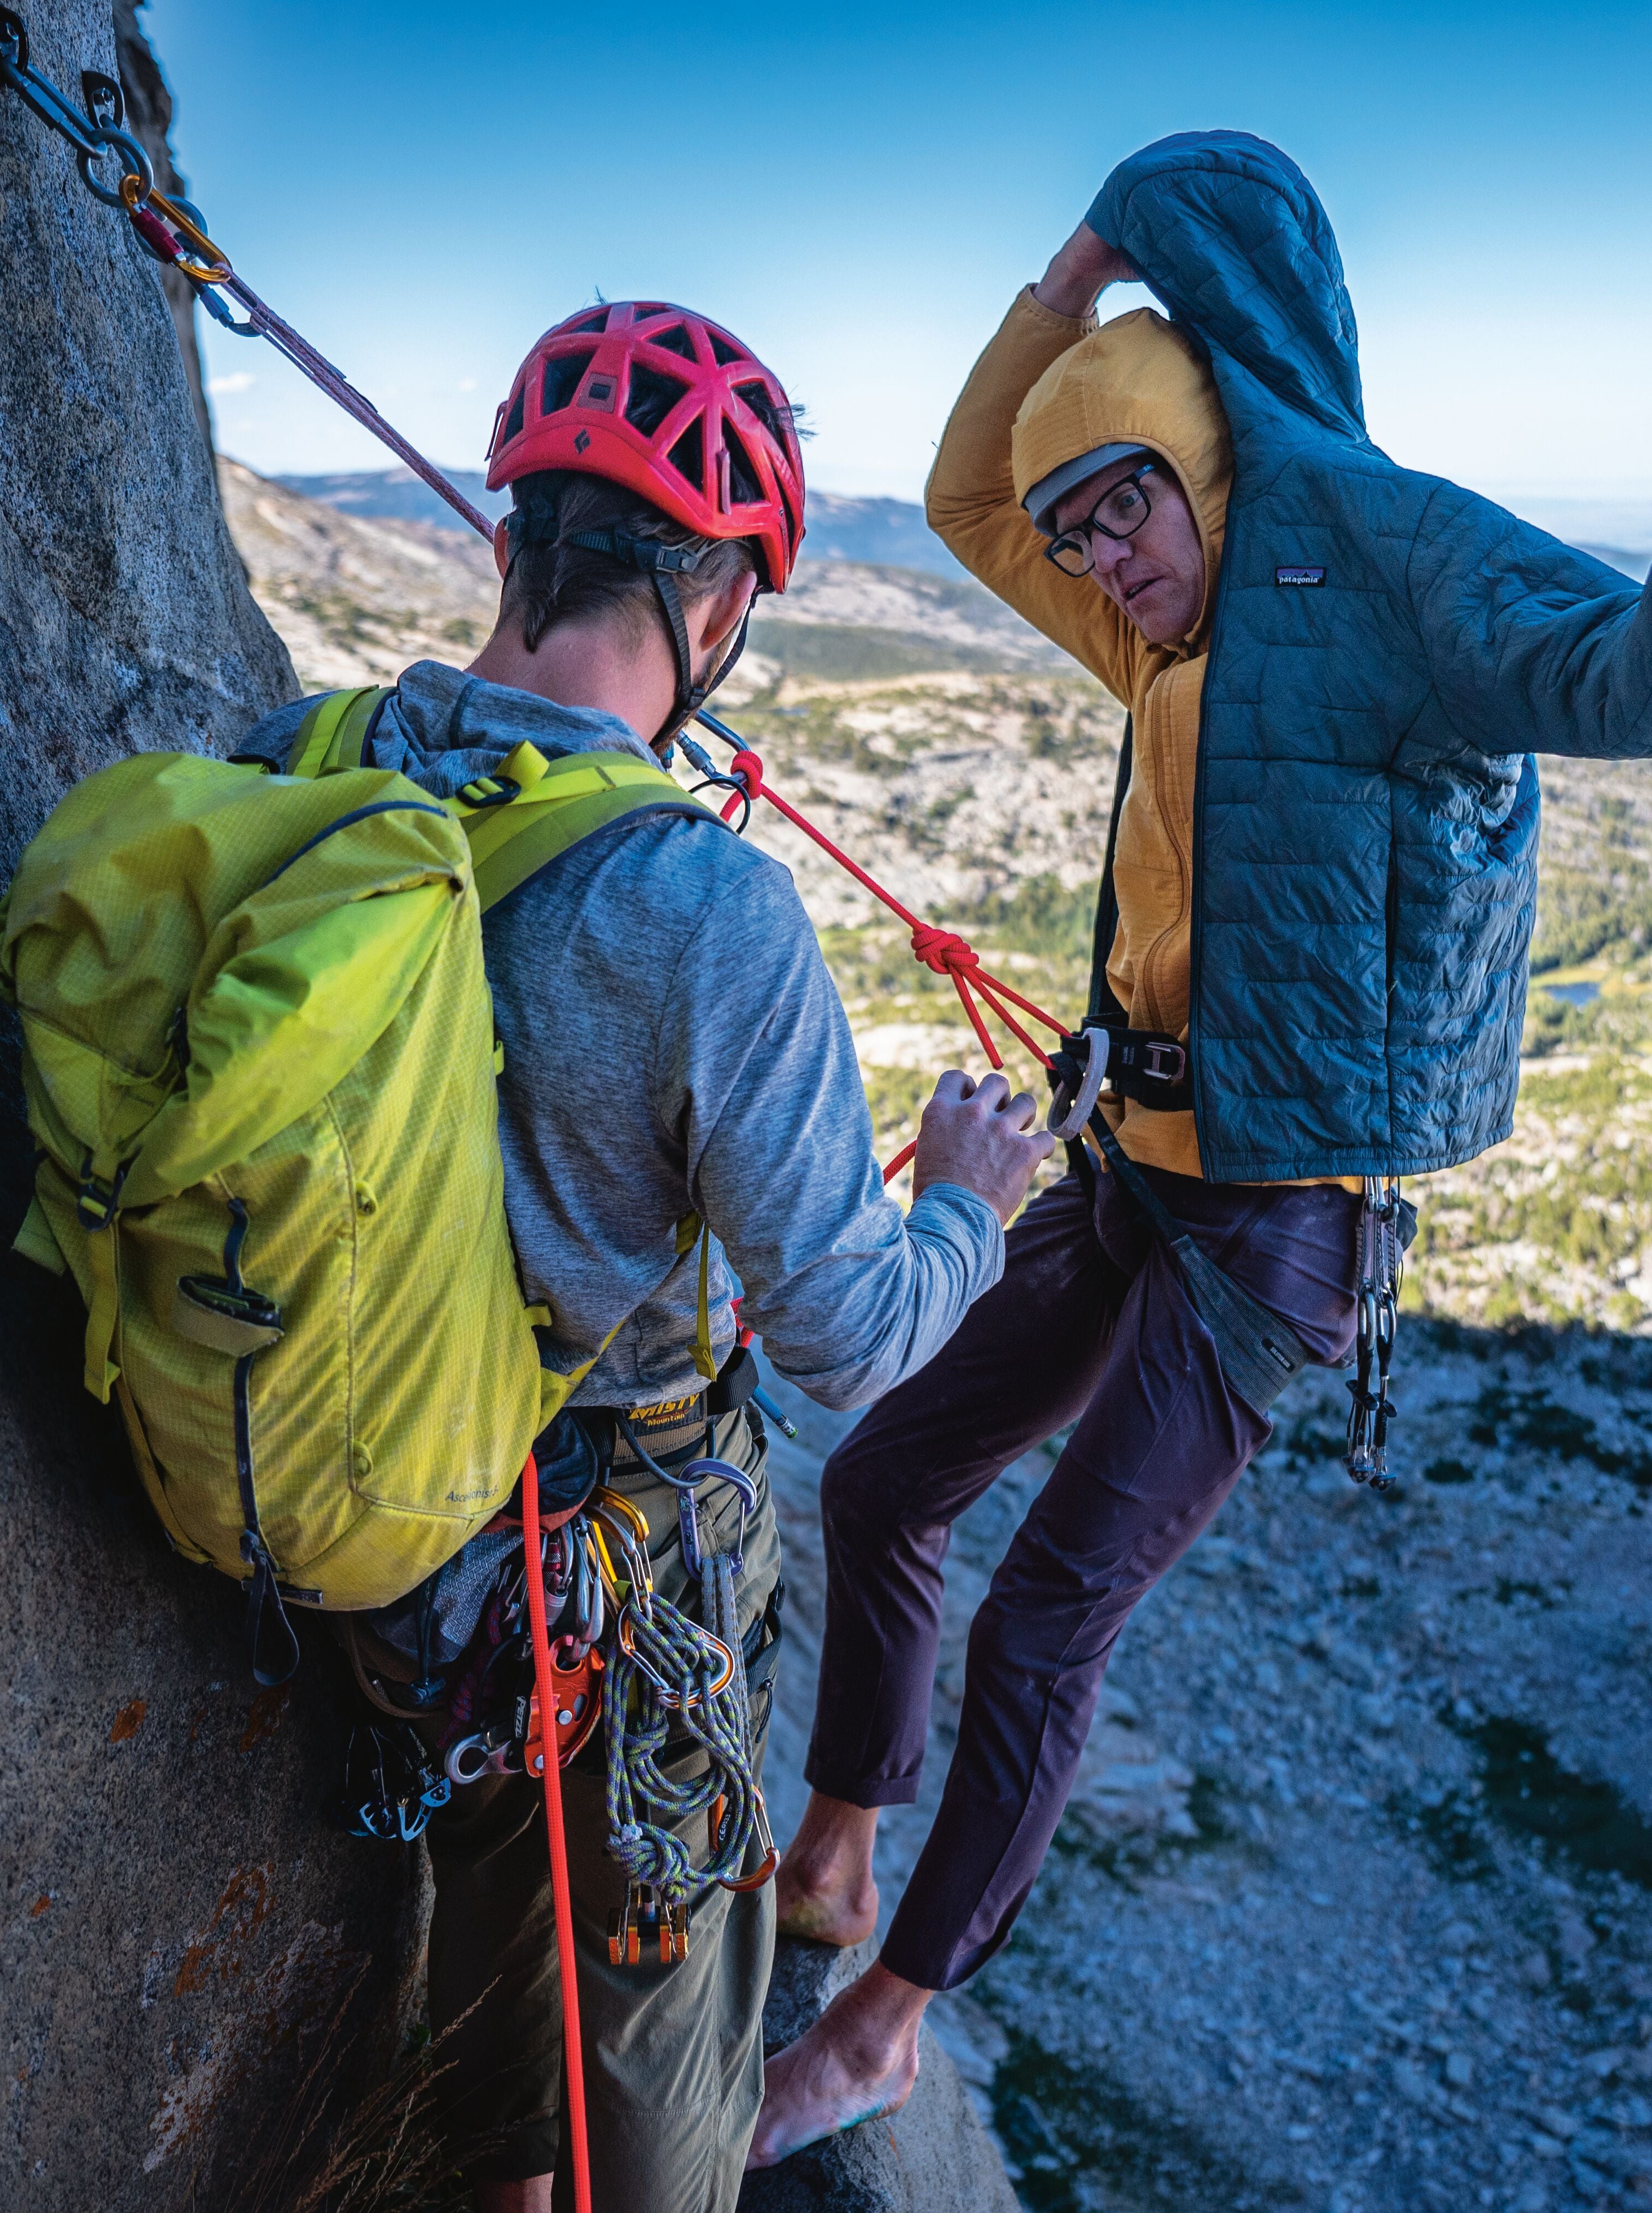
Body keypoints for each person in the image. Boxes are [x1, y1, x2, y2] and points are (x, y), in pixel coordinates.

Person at [748, 131, 1652, 2164]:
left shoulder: (1370, 560)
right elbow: (958, 495)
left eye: (1129, 508)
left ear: (1210, 460)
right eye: (1084, 529)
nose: (1100, 554)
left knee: (1047, 1616)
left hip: (1283, 1226)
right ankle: (836, 1843)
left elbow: (1648, 672)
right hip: (1134, 1172)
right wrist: (1086, 261)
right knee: (896, 1470)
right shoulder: (1165, 640)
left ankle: (882, 2031)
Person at [238, 301, 1052, 2213]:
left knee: (489, 2008)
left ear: (510, 538)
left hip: (343, 1493)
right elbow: (851, 1340)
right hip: (606, 1589)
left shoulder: (307, 754)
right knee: (658, 2081)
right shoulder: (704, 910)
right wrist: (966, 1204)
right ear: (724, 608)